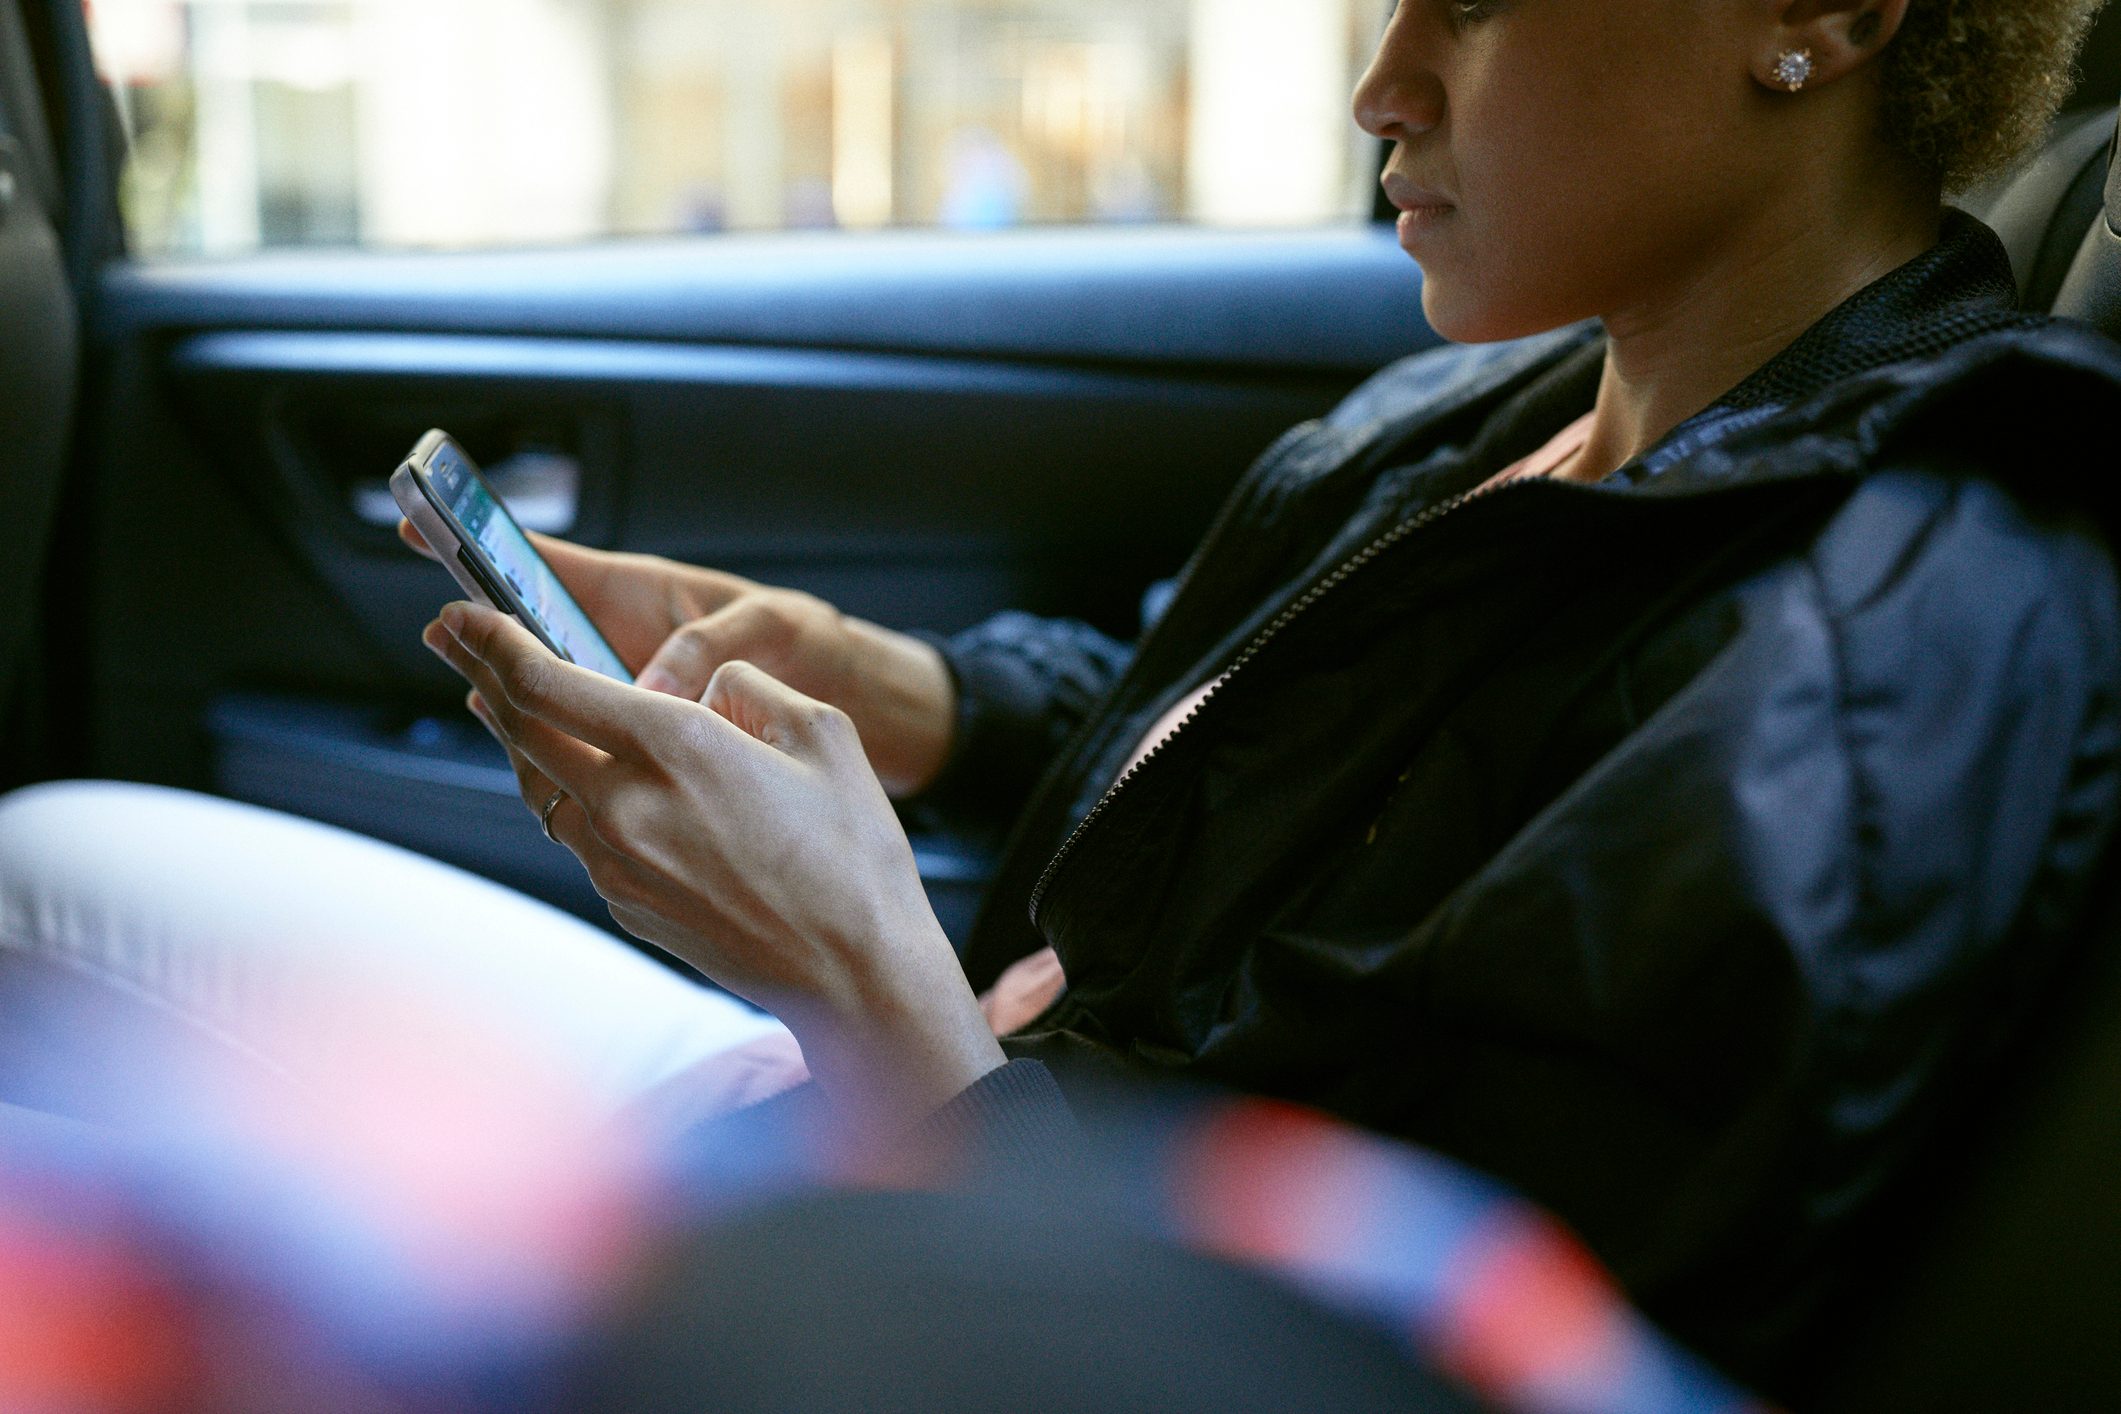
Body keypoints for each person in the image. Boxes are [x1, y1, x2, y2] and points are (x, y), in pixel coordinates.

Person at [4, 0, 2120, 1396]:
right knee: (44, 862)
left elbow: (1393, 1354)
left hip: (992, 1295)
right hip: (936, 1132)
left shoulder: (1860, 671)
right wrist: (913, 696)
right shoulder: (1531, 398)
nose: (1379, 80)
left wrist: (870, 983)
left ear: (1816, 17)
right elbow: (1248, 736)